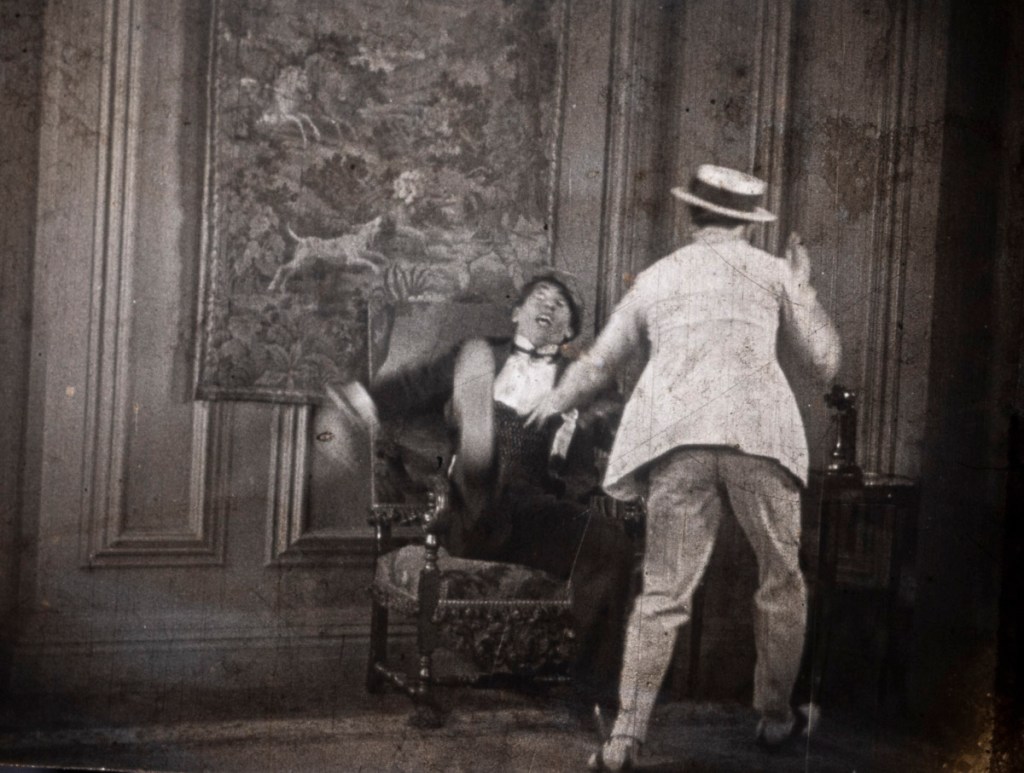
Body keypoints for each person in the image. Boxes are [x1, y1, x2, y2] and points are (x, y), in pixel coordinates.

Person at [526, 165, 841, 769]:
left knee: (663, 592)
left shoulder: (657, 276)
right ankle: (776, 717)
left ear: (693, 213)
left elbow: (599, 363)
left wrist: (555, 400)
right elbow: (825, 362)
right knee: (782, 579)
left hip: (678, 442)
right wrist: (804, 289)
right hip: (760, 438)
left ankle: (625, 738)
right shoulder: (774, 272)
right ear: (748, 223)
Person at [333, 270, 636, 705]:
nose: (548, 306)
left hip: (535, 514)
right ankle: (479, 443)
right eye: (540, 297)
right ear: (516, 313)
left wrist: (591, 423)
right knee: (484, 469)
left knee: (609, 541)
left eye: (561, 305)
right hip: (472, 511)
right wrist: (353, 406)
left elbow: (621, 431)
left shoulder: (580, 378)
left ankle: (593, 694)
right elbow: (410, 388)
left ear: (569, 330)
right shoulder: (479, 355)